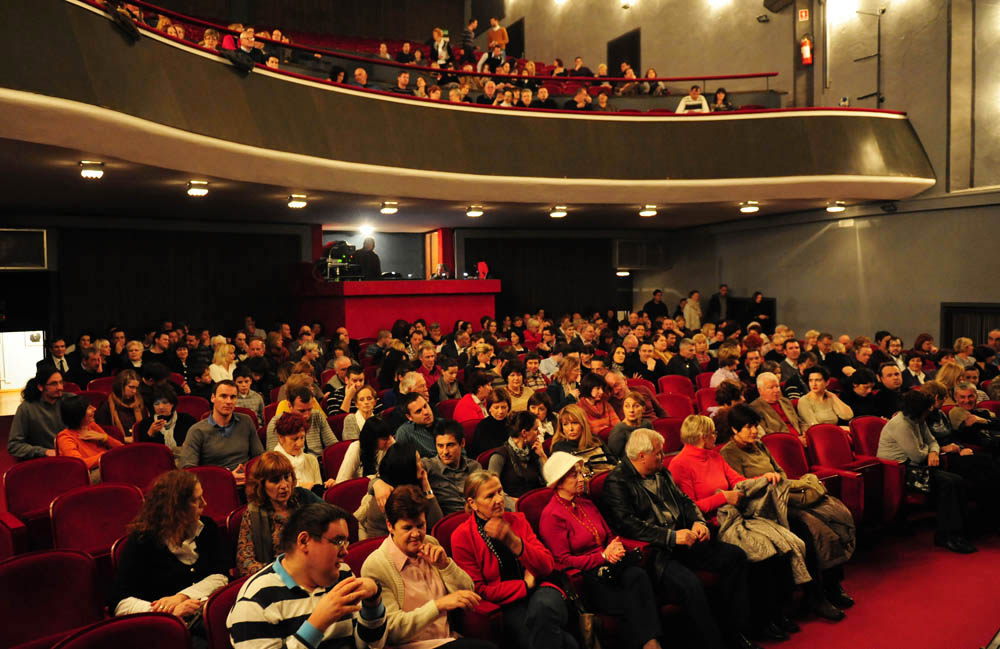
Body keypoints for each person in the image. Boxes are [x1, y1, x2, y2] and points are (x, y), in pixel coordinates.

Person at [598, 428, 755, 649]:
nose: (663, 457)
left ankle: (735, 632)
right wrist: (670, 537)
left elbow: (685, 501)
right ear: (642, 456)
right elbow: (628, 525)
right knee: (691, 585)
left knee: (735, 556)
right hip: (657, 553)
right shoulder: (617, 481)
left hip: (685, 539)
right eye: (658, 453)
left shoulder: (661, 472)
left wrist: (698, 522)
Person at [669, 415, 803, 641]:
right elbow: (689, 507)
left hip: (735, 516)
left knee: (780, 545)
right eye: (713, 433)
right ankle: (761, 621)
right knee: (761, 552)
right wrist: (722, 498)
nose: (716, 436)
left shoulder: (714, 456)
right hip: (712, 526)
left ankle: (777, 613)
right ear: (702, 436)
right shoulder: (679, 464)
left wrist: (763, 479)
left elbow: (738, 482)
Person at [719, 405, 855, 620]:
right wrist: (766, 480)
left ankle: (833, 585)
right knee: (810, 529)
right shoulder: (729, 453)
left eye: (755, 426)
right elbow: (742, 487)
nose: (754, 431)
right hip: (762, 507)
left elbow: (780, 472)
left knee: (830, 517)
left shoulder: (759, 445)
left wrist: (777, 482)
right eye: (748, 427)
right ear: (734, 429)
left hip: (783, 496)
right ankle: (815, 595)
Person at [539, 453, 664, 649]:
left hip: (612, 566)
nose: (581, 479)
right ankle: (651, 643)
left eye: (581, 473)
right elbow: (562, 560)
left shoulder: (585, 502)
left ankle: (650, 642)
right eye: (574, 475)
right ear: (558, 482)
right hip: (588, 577)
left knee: (638, 575)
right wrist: (603, 556)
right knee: (632, 598)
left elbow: (609, 534)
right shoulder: (551, 515)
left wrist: (615, 546)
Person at [228, 502, 387, 649]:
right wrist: (317, 624)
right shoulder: (255, 600)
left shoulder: (343, 574)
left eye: (346, 542)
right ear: (304, 541)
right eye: (339, 542)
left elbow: (370, 645)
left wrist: (373, 603)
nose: (345, 551)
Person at [452, 470, 578, 649]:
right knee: (567, 642)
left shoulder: (517, 519)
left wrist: (515, 542)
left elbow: (547, 565)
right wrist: (524, 585)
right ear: (473, 503)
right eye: (490, 496)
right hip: (507, 604)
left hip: (542, 590)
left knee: (543, 608)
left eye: (500, 491)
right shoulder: (462, 536)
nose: (499, 499)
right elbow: (478, 590)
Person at [361, 484, 495, 649]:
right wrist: (438, 606)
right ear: (390, 526)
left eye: (420, 525)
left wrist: (445, 566)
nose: (416, 534)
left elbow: (468, 591)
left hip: (448, 639)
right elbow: (391, 630)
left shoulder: (430, 543)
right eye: (408, 528)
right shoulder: (376, 566)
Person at [111, 470, 228, 622]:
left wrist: (182, 596)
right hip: (165, 624)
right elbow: (119, 602)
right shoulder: (142, 541)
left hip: (207, 613)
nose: (204, 504)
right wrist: (169, 612)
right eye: (195, 500)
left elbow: (221, 575)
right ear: (175, 508)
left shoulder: (207, 527)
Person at [877, 391, 978, 554]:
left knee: (957, 480)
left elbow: (932, 441)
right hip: (900, 471)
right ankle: (948, 536)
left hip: (917, 466)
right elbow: (917, 455)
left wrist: (933, 452)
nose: (929, 413)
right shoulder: (901, 424)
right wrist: (930, 451)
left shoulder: (918, 419)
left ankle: (956, 532)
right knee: (949, 483)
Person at [237, 451, 324, 577]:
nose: (284, 485)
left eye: (287, 477)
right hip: (278, 577)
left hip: (315, 568)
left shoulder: (303, 497)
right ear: (261, 484)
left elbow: (333, 520)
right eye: (275, 480)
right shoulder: (254, 514)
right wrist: (283, 571)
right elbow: (245, 563)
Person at [180, 380, 264, 485]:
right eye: (223, 396)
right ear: (213, 398)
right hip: (216, 485)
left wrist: (251, 475)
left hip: (248, 483)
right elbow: (188, 470)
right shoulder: (197, 431)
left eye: (233, 397)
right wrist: (227, 477)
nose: (229, 401)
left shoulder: (246, 421)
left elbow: (259, 457)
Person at [357, 443, 443, 540]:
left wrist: (425, 484)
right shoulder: (389, 496)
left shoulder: (414, 483)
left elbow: (437, 524)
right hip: (385, 543)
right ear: (407, 467)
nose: (422, 464)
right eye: (418, 461)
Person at [55, 394, 123, 482]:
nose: (95, 409)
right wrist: (107, 455)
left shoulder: (92, 426)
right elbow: (79, 464)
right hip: (88, 475)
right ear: (78, 414)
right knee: (119, 470)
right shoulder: (65, 437)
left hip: (106, 466)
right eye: (89, 408)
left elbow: (121, 448)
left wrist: (105, 438)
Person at [486, 411, 547, 509]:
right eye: (536, 429)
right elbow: (492, 489)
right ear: (524, 433)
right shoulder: (499, 456)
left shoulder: (535, 450)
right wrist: (518, 505)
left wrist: (542, 456)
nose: (539, 433)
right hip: (513, 507)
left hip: (538, 503)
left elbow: (549, 481)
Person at [422, 419, 483, 515]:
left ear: (462, 443)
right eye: (440, 446)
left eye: (450, 445)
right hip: (449, 521)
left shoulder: (474, 467)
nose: (445, 452)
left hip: (477, 517)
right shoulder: (427, 467)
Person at [7, 366, 69, 459]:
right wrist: (44, 452)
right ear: (40, 387)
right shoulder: (26, 408)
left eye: (61, 382)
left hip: (71, 454)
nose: (60, 387)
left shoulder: (69, 400)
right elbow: (14, 445)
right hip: (45, 459)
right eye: (54, 384)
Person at [267, 381, 338, 458]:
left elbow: (333, 446)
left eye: (309, 409)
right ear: (290, 406)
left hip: (318, 460)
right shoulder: (276, 422)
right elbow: (273, 457)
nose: (307, 415)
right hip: (290, 462)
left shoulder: (317, 416)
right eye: (301, 411)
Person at [274, 413, 335, 494]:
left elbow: (318, 495)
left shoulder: (311, 460)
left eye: (302, 437)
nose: (300, 444)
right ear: (281, 438)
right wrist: (299, 488)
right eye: (294, 439)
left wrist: (328, 487)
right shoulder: (273, 464)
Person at [133, 385, 195, 464]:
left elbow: (197, 441)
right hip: (156, 462)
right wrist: (150, 433)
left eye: (165, 402)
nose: (161, 407)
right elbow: (142, 451)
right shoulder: (146, 423)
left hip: (185, 460)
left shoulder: (186, 419)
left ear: (172, 404)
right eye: (156, 404)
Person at [552, 403, 616, 475]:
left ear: (583, 424)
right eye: (565, 424)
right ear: (562, 428)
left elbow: (614, 462)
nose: (570, 428)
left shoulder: (595, 440)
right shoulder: (559, 448)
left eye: (575, 423)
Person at [750, 372, 806, 444]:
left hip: (801, 438)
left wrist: (805, 433)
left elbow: (800, 422)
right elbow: (767, 434)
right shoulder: (755, 408)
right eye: (771, 388)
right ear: (760, 390)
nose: (776, 390)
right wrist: (795, 440)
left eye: (777, 386)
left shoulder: (785, 401)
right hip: (783, 443)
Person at [337, 417, 395, 483]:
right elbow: (341, 481)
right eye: (385, 439)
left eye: (390, 437)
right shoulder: (356, 448)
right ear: (372, 439)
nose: (390, 441)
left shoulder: (390, 442)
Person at [796, 366, 854, 432]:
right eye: (811, 380)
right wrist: (839, 428)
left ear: (827, 382)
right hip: (816, 434)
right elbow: (814, 426)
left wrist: (833, 397)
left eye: (818, 380)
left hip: (833, 432)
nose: (814, 384)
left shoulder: (830, 398)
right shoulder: (804, 401)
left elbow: (848, 416)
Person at [95, 369, 146, 438]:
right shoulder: (107, 406)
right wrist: (124, 439)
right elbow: (102, 431)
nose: (134, 391)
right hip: (117, 441)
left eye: (136, 388)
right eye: (131, 387)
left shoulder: (139, 402)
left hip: (138, 440)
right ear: (120, 386)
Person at [469, 388, 512, 460]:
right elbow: (488, 453)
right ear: (489, 408)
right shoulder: (483, 426)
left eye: (503, 407)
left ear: (508, 408)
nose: (500, 411)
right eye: (496, 408)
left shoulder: (513, 423)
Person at [607, 391, 652, 459]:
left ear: (643, 409)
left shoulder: (647, 424)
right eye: (627, 406)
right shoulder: (619, 429)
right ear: (623, 409)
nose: (631, 410)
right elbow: (613, 458)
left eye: (636, 406)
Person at [575, 372, 621, 436]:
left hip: (612, 437)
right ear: (588, 387)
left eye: (602, 388)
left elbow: (617, 424)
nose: (601, 392)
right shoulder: (578, 408)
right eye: (598, 388)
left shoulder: (606, 404)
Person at [396, 393, 438, 458]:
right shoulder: (405, 433)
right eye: (419, 411)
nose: (426, 412)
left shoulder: (444, 423)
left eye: (425, 406)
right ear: (409, 417)